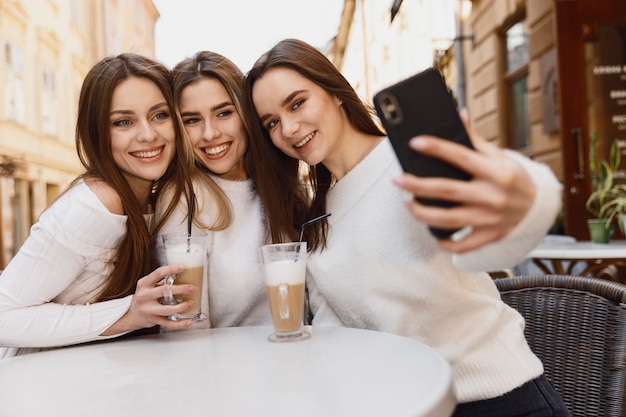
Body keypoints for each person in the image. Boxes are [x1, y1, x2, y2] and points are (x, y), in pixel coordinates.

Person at [243, 38, 571, 416]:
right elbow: (338, 328)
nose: (288, 128)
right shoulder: (319, 212)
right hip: (404, 404)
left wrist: (524, 196)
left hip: (493, 399)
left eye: (297, 103)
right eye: (271, 122)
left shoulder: (408, 164)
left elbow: (492, 237)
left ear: (334, 91)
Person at [0, 53, 199, 358]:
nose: (148, 134)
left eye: (159, 115)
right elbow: (3, 317)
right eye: (123, 122)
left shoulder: (154, 198)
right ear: (98, 133)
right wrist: (129, 314)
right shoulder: (95, 204)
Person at [154, 50, 272, 328]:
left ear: (246, 113)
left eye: (223, 112)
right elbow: (185, 328)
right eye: (192, 120)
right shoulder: (184, 199)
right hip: (224, 368)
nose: (210, 133)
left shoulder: (282, 187)